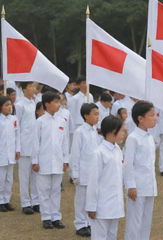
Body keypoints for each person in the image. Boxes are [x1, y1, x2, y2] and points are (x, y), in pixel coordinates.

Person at [32, 91, 69, 229]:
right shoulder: (40, 121)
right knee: (44, 190)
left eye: (59, 102)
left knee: (56, 190)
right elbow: (36, 142)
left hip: (58, 161)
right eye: (55, 102)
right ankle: (46, 217)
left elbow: (65, 142)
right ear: (47, 104)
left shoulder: (62, 121)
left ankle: (56, 217)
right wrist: (35, 161)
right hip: (43, 162)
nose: (58, 104)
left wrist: (66, 159)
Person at [86, 115, 125, 240]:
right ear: (113, 132)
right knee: (100, 236)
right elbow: (93, 182)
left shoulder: (118, 150)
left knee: (112, 235)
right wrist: (91, 206)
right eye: (122, 130)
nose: (124, 133)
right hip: (102, 205)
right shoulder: (99, 153)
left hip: (115, 203)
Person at [124, 101, 157, 240]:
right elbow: (128, 164)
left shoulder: (149, 137)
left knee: (146, 222)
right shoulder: (133, 138)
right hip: (137, 186)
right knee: (134, 222)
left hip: (149, 185)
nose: (155, 118)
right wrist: (131, 185)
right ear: (140, 118)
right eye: (151, 115)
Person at [70, 103, 100, 237]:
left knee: (91, 198)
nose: (97, 117)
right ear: (86, 115)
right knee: (81, 200)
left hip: (93, 172)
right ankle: (80, 224)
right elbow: (75, 154)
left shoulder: (95, 131)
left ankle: (88, 222)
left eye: (98, 114)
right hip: (83, 172)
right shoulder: (79, 132)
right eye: (94, 114)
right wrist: (75, 174)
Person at [15, 82, 39, 215]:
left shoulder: (34, 103)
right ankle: (25, 203)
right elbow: (17, 127)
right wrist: (17, 147)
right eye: (30, 87)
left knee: (35, 175)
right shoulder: (19, 105)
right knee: (24, 176)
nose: (33, 89)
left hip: (34, 144)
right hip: (24, 144)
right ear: (24, 89)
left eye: (34, 87)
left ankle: (35, 201)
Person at [0, 96, 20, 212]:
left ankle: (7, 200)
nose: (9, 107)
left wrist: (17, 150)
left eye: (10, 105)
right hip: (1, 153)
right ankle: (0, 201)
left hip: (10, 153)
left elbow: (17, 136)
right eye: (6, 105)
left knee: (9, 179)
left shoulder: (14, 119)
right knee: (1, 179)